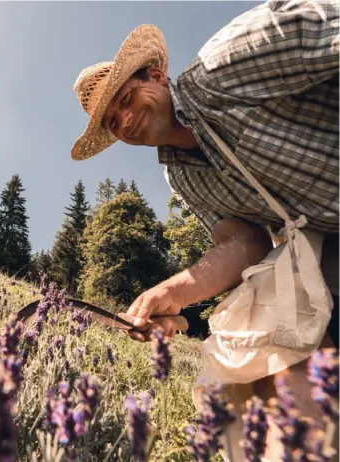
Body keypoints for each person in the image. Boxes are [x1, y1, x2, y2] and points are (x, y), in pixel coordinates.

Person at [70, 0, 338, 459]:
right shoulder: (182, 177)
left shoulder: (225, 65)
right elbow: (246, 242)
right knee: (260, 343)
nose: (126, 120)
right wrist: (175, 293)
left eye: (126, 100)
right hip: (328, 242)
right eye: (114, 123)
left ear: (155, 76)